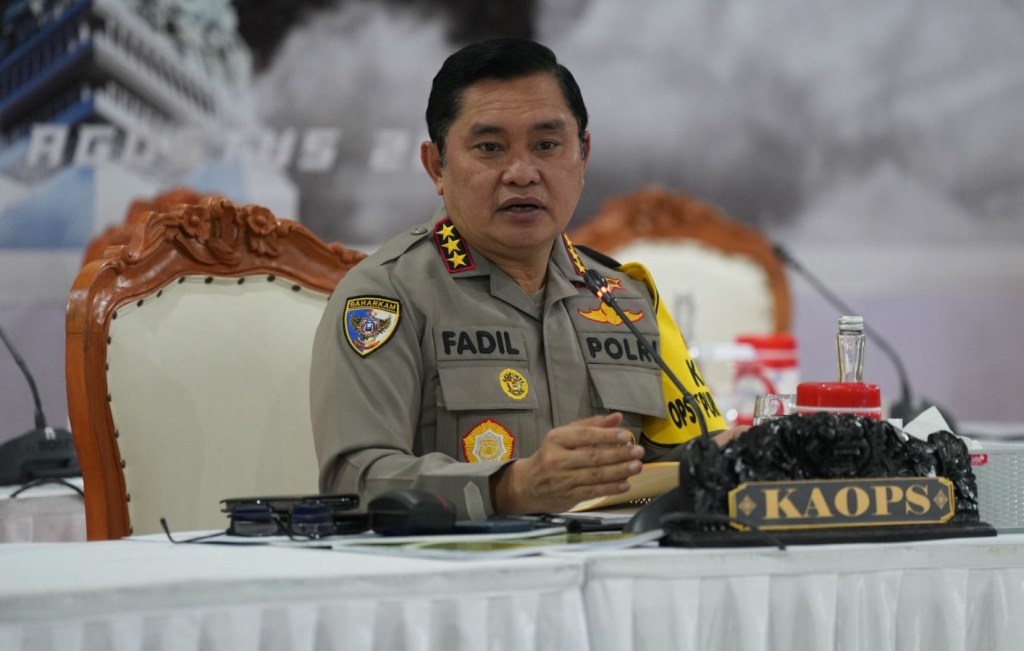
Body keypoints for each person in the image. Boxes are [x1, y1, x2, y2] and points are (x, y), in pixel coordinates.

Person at [310, 38, 740, 520]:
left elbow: (666, 467)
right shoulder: (387, 296)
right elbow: (355, 479)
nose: (522, 173)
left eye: (546, 146)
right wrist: (508, 488)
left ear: (583, 154)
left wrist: (737, 454)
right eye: (490, 148)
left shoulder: (625, 299)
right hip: (459, 563)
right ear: (436, 166)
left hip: (611, 561)